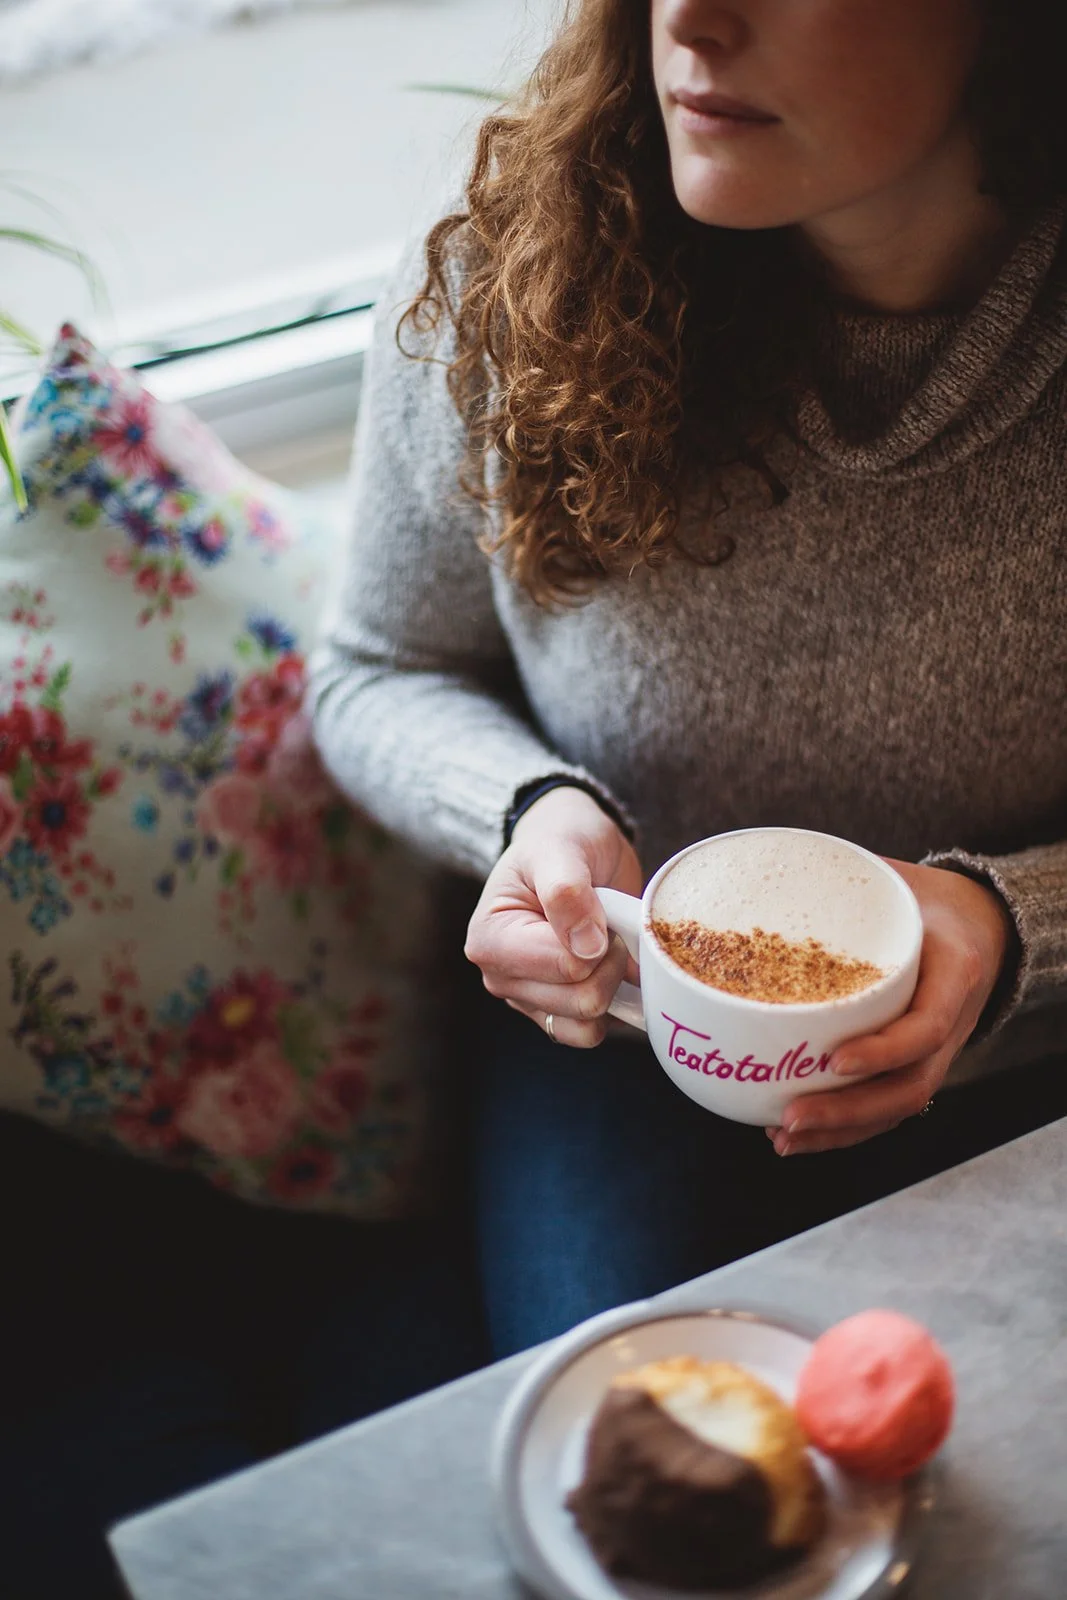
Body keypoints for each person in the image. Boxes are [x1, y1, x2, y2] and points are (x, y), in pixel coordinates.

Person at [312, 0, 1067, 1359]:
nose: (693, 21)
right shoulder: (512, 275)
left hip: (1032, 1055)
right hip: (628, 1048)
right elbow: (376, 670)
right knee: (642, 1452)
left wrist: (1015, 923)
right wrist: (529, 808)